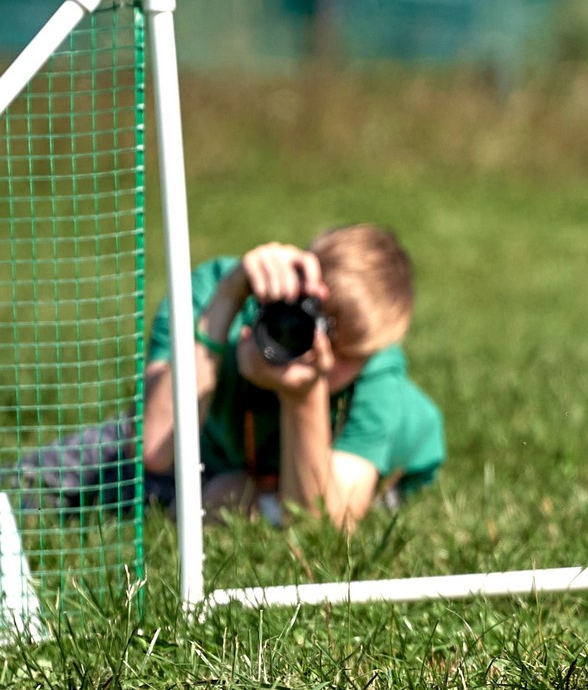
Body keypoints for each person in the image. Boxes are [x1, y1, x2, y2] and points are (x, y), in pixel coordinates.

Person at [138, 224, 445, 529]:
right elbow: (154, 449)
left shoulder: (377, 370)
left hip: (383, 468)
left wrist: (303, 394)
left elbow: (323, 522)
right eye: (307, 326)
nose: (321, 353)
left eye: (348, 356)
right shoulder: (217, 291)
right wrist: (225, 302)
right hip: (212, 455)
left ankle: (266, 499)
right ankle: (263, 498)